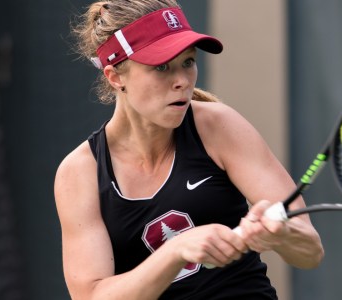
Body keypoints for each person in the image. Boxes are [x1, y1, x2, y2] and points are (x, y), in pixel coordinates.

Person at [54, 0, 324, 299]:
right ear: (116, 77)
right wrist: (176, 251)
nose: (182, 81)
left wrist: (281, 234)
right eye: (161, 67)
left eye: (188, 62)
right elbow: (92, 296)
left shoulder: (218, 126)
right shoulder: (79, 173)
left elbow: (310, 252)